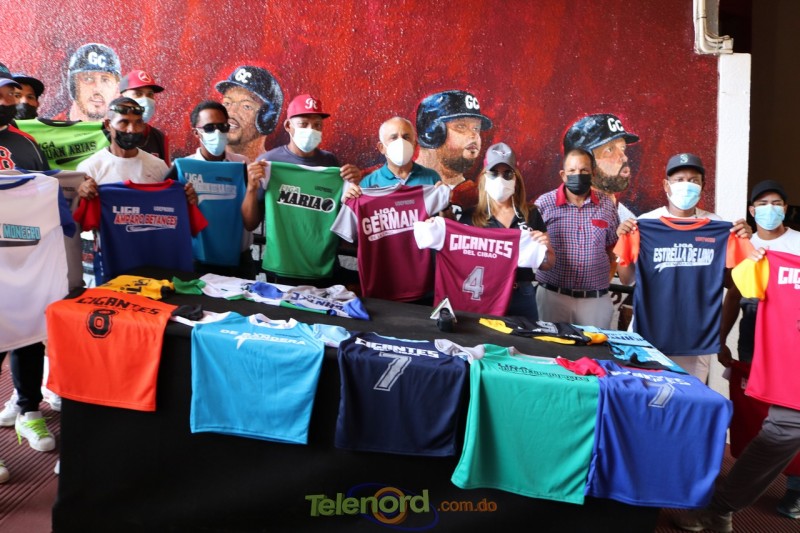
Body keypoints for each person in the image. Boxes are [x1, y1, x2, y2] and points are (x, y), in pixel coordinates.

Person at [673, 197, 800, 532]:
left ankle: (723, 506)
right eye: (763, 203)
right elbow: (737, 288)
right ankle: (720, 507)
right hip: (779, 356)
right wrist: (747, 257)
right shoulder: (771, 256)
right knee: (781, 429)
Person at [616, 153, 751, 381]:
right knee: (647, 394)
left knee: (690, 396)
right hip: (650, 332)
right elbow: (627, 279)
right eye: (679, 180)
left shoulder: (719, 226)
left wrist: (742, 241)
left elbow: (730, 283)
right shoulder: (645, 224)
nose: (686, 185)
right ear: (666, 185)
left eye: (693, 180)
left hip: (696, 336)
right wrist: (625, 241)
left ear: (703, 186)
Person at [717, 179, 800, 520]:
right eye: (762, 203)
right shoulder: (746, 246)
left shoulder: (797, 243)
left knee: (788, 419)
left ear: (785, 208)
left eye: (776, 202)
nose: (770, 209)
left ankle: (794, 487)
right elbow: (733, 295)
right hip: (756, 329)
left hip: (792, 332)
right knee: (758, 410)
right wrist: (721, 338)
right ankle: (737, 487)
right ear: (752, 210)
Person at [0, 73, 59, 469]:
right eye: (4, 93)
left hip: (22, 257)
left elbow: (48, 191)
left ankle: (28, 409)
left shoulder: (26, 142)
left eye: (11, 93)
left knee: (28, 336)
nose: (10, 100)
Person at [459, 142, 554, 319]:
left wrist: (545, 247)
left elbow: (548, 264)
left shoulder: (531, 213)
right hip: (485, 293)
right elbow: (459, 263)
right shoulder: (470, 217)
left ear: (516, 178)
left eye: (507, 173)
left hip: (521, 294)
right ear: (484, 177)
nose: (500, 179)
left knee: (526, 337)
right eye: (494, 173)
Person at [534, 147, 619, 329]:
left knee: (596, 346)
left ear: (593, 173)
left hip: (595, 301)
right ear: (563, 175)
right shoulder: (544, 204)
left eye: (584, 170)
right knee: (549, 346)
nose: (577, 175)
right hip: (552, 297)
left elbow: (613, 249)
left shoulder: (606, 205)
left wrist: (605, 280)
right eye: (572, 171)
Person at [166, 100, 253, 277]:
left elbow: (251, 220)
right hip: (198, 260)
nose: (217, 133)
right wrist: (183, 203)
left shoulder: (243, 164)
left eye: (222, 126)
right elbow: (167, 216)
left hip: (239, 260)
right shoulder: (181, 168)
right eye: (209, 128)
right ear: (196, 132)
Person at [415, 90, 492, 218]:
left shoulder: (478, 197)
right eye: (461, 126)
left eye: (476, 128)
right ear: (431, 134)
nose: (474, 135)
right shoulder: (397, 184)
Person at [76, 97, 170, 196]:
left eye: (138, 123)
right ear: (108, 125)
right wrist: (81, 194)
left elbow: (169, 201)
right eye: (124, 122)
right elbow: (77, 203)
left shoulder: (159, 166)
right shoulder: (90, 168)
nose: (132, 130)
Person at [563, 113, 639, 222]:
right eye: (609, 150)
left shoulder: (629, 219)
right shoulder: (553, 215)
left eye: (622, 148)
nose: (624, 157)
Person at [216, 65, 283, 162]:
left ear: (266, 119)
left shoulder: (275, 168)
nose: (231, 112)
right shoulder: (205, 164)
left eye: (246, 106)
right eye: (227, 103)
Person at [358, 116, 440, 188]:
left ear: (414, 145)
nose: (401, 142)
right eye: (393, 138)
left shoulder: (432, 178)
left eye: (406, 137)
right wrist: (352, 196)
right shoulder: (368, 183)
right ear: (381, 148)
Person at [119, 69, 170, 164]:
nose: (146, 100)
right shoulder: (110, 134)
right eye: (138, 94)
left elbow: (166, 172)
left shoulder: (160, 138)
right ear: (122, 97)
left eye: (150, 94)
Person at [64, 43, 121, 122]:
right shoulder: (51, 126)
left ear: (117, 90)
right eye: (88, 79)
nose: (97, 88)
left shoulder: (130, 127)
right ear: (74, 87)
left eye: (105, 80)